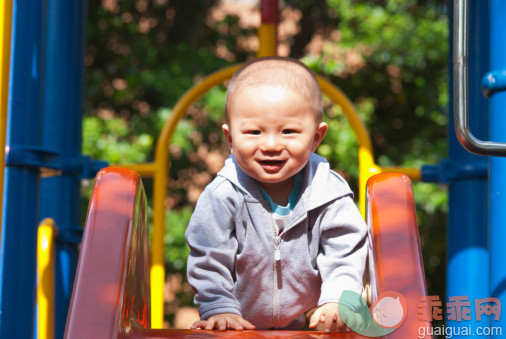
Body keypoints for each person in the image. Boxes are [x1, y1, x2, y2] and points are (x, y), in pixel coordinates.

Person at [185, 56, 368, 332]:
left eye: (289, 131)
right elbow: (209, 254)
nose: (271, 144)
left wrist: (338, 298)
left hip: (312, 321)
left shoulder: (328, 192)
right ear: (230, 139)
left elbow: (345, 250)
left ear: (316, 138)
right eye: (254, 132)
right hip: (240, 324)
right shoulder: (223, 195)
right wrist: (219, 307)